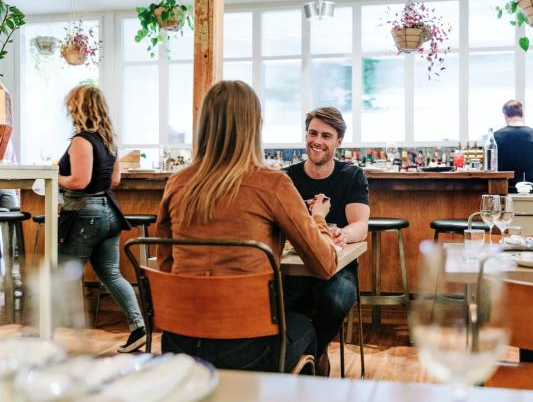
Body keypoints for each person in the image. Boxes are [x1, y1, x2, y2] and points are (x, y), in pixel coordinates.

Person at [155, 80, 338, 373]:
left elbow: (166, 262)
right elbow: (325, 265)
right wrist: (318, 217)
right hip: (249, 349)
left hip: (179, 344)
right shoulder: (272, 183)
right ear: (257, 125)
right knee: (305, 326)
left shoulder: (177, 183)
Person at [58, 85, 146, 352]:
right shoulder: (109, 140)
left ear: (78, 108)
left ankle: (56, 336)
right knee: (110, 273)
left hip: (85, 214)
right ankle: (139, 327)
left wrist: (53, 175)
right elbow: (114, 179)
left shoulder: (81, 140)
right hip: (109, 211)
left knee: (63, 273)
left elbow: (78, 181)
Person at [283, 107, 370, 376]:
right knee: (275, 298)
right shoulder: (286, 178)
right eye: (312, 133)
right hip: (292, 267)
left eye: (326, 135)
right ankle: (303, 354)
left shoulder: (352, 175)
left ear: (339, 141)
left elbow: (360, 225)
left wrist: (344, 233)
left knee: (337, 299)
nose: (317, 141)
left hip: (337, 267)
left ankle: (312, 353)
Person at [494, 100, 533, 193]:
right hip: (527, 190)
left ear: (505, 115)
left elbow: (491, 166)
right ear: (522, 114)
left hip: (502, 190)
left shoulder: (495, 136)